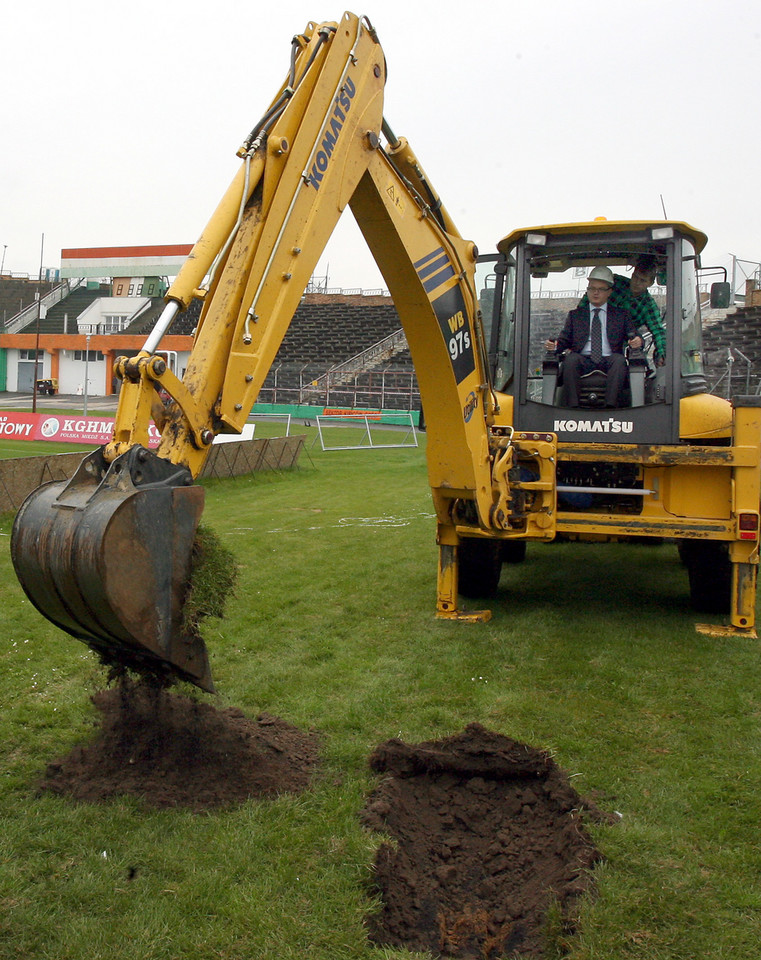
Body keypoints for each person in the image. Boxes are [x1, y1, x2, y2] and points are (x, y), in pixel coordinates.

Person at [545, 266, 643, 407]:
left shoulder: (621, 315)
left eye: (600, 289)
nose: (595, 293)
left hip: (609, 361)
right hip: (583, 360)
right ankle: (573, 406)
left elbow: (636, 336)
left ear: (609, 292)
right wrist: (554, 346)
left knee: (619, 360)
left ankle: (611, 406)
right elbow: (564, 340)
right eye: (592, 289)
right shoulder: (576, 315)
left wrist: (638, 341)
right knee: (571, 359)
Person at [578, 255, 665, 366]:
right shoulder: (614, 282)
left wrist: (662, 353)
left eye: (642, 280)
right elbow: (584, 305)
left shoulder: (649, 307)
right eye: (635, 277)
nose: (637, 282)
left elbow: (658, 331)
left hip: (618, 342)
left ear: (650, 283)